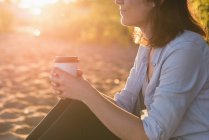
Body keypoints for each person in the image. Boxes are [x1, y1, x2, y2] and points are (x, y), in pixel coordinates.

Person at [25, 0, 209, 139]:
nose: (118, 0)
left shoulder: (186, 48)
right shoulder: (149, 45)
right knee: (76, 104)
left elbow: (152, 135)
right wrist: (80, 89)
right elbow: (125, 106)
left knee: (82, 105)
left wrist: (85, 92)